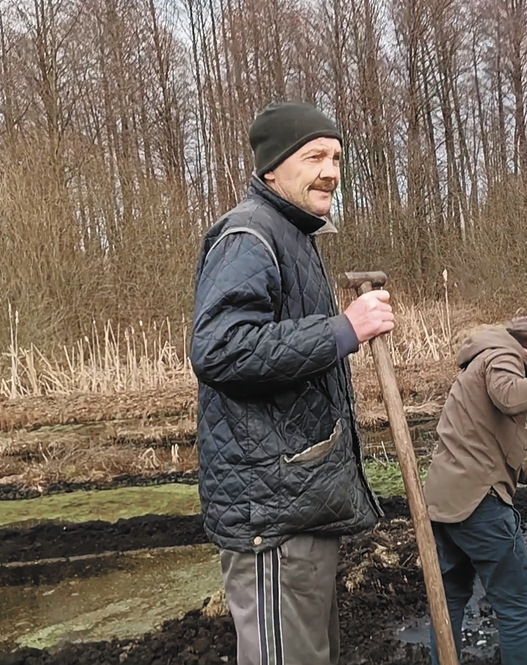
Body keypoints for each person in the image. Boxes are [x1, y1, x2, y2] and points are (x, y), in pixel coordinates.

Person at [189, 101, 394, 665]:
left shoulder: (295, 236)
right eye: (314, 156)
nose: (331, 170)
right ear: (273, 168)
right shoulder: (249, 236)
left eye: (336, 157)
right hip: (272, 518)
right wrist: (343, 330)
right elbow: (219, 349)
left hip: (300, 508)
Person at [423, 315, 527, 665]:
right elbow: (510, 398)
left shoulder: (478, 363)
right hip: (480, 505)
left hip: (443, 504)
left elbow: (482, 443)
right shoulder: (502, 357)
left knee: (448, 601)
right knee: (517, 606)